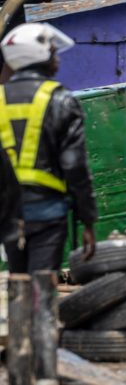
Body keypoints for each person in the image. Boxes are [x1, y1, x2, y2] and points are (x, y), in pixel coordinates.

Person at [0, 23, 96, 272]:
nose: (58, 60)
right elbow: (75, 165)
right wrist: (87, 220)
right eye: (53, 53)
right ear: (40, 56)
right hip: (46, 211)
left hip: (6, 213)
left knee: (18, 280)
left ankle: (22, 309)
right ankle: (40, 311)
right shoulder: (60, 99)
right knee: (41, 284)